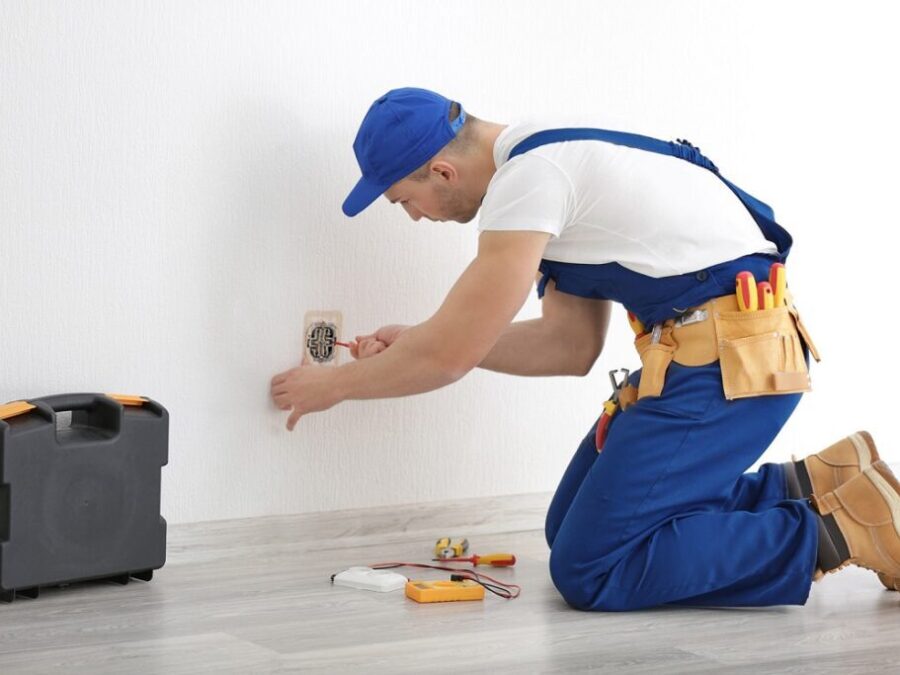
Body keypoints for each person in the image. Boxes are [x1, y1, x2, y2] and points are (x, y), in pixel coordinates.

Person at [270, 87, 900, 610]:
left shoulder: (530, 179)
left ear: (442, 172)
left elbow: (449, 356)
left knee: (593, 568)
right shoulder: (547, 165)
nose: (413, 216)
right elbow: (567, 346)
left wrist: (332, 386)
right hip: (716, 359)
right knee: (566, 529)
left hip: (730, 369)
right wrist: (420, 339)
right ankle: (818, 482)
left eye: (404, 201)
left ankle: (842, 530)